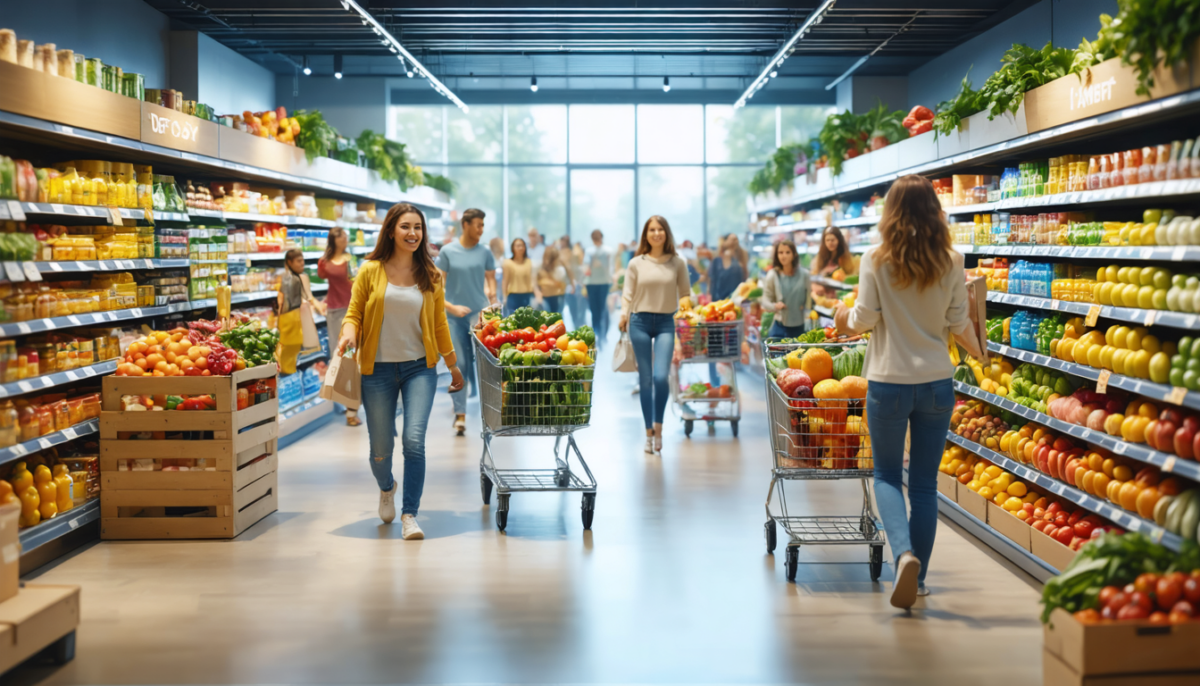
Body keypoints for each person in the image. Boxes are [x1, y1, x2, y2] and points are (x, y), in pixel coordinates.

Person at [833, 175, 983, 609]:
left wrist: (842, 316)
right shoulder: (951, 260)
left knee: (884, 475)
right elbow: (960, 323)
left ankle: (903, 556)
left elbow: (862, 320)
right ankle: (918, 581)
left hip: (889, 382)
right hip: (937, 382)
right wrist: (982, 353)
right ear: (934, 209)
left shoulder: (876, 259)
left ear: (891, 212)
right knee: (923, 485)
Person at [336, 203, 465, 540]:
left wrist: (452, 365)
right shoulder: (370, 271)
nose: (413, 233)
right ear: (391, 230)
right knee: (380, 450)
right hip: (375, 370)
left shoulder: (431, 275)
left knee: (414, 441)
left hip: (419, 368)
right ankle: (386, 485)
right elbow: (354, 313)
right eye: (406, 227)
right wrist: (348, 334)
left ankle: (410, 514)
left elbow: (439, 324)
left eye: (418, 228)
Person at [620, 216, 691, 456]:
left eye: (660, 229)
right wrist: (623, 314)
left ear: (666, 233)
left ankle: (659, 428)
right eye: (652, 229)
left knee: (661, 377)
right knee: (646, 379)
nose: (656, 233)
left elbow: (685, 293)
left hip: (665, 323)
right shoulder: (635, 263)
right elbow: (627, 295)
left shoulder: (677, 263)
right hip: (638, 321)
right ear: (646, 234)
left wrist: (686, 308)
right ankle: (648, 432)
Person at [435, 208, 498, 436]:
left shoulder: (485, 252)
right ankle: (460, 414)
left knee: (485, 365)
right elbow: (438, 288)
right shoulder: (447, 251)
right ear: (465, 225)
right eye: (478, 225)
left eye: (483, 225)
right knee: (458, 364)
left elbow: (491, 281)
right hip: (453, 318)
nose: (481, 230)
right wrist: (451, 307)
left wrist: (493, 297)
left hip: (479, 317)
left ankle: (490, 412)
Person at [318, 227, 361, 426]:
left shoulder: (350, 259)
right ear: (334, 239)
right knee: (339, 355)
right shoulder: (324, 262)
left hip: (353, 309)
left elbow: (356, 281)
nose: (345, 238)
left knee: (352, 357)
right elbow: (322, 276)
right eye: (341, 235)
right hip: (334, 311)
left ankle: (352, 409)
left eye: (346, 235)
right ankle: (344, 401)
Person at [277, 248, 325, 375]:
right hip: (288, 320)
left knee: (291, 352)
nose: (302, 263)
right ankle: (285, 375)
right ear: (289, 262)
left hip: (295, 320)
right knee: (286, 353)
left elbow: (308, 296)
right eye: (298, 261)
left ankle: (288, 375)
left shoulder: (300, 278)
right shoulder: (286, 279)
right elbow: (281, 302)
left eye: (303, 260)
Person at [761, 239, 812, 339]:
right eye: (780, 252)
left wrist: (808, 315)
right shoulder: (773, 275)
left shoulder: (804, 275)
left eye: (787, 252)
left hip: (800, 327)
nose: (783, 256)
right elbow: (765, 300)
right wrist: (775, 306)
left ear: (794, 254)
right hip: (779, 327)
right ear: (776, 255)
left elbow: (809, 300)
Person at [583, 229, 614, 348]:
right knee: (594, 310)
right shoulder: (589, 251)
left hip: (604, 282)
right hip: (592, 283)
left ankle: (602, 335)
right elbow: (586, 267)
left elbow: (610, 267)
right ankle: (596, 334)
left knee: (602, 310)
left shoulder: (607, 250)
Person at [813, 226, 858, 298]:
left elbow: (851, 280)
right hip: (825, 299)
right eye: (827, 240)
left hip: (843, 298)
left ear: (839, 240)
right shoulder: (819, 260)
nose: (830, 243)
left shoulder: (849, 260)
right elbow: (814, 277)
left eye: (833, 240)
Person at [502, 238, 536, 315]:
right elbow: (505, 280)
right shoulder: (508, 263)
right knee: (513, 320)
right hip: (513, 296)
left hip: (527, 296)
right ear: (513, 248)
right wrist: (504, 297)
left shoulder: (529, 262)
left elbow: (532, 280)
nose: (520, 248)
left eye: (522, 245)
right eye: (518, 246)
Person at [537, 245, 570, 315]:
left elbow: (560, 284)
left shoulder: (559, 270)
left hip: (557, 297)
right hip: (545, 297)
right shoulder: (540, 268)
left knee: (557, 319)